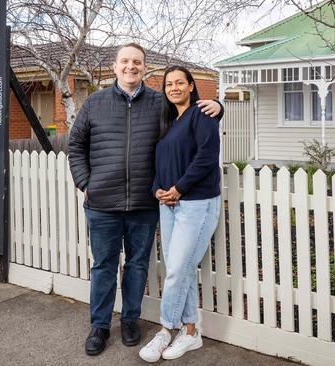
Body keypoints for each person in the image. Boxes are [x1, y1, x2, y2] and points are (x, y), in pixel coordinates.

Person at [68, 43, 222, 356]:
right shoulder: (94, 103)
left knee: (138, 265)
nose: (130, 67)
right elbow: (75, 147)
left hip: (144, 203)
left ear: (144, 68)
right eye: (124, 61)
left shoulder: (159, 102)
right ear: (114, 67)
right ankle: (99, 326)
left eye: (136, 62)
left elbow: (190, 116)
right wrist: (86, 183)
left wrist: (220, 105)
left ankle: (130, 320)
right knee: (103, 266)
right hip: (102, 203)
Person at [138, 65, 221, 362]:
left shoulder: (204, 114)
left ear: (190, 86)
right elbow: (160, 162)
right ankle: (189, 332)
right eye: (169, 84)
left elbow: (207, 157)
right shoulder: (170, 121)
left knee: (175, 269)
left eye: (179, 83)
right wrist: (158, 189)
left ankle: (165, 330)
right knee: (178, 267)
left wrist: (180, 188)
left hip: (196, 203)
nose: (173, 88)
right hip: (169, 203)